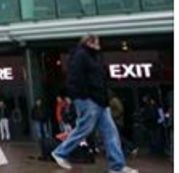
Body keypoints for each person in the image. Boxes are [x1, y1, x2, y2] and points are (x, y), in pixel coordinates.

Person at [51, 35, 138, 173]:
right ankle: (60, 152)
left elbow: (100, 79)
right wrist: (83, 96)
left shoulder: (94, 57)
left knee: (111, 133)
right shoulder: (81, 55)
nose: (98, 43)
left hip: (100, 101)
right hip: (90, 100)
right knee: (84, 129)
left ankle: (117, 166)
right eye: (95, 41)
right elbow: (74, 79)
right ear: (88, 42)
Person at [110, 91, 137, 156]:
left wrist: (113, 116)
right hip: (115, 121)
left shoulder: (114, 100)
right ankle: (127, 148)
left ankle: (132, 146)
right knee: (117, 136)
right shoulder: (112, 100)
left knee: (118, 136)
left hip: (116, 121)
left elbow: (120, 109)